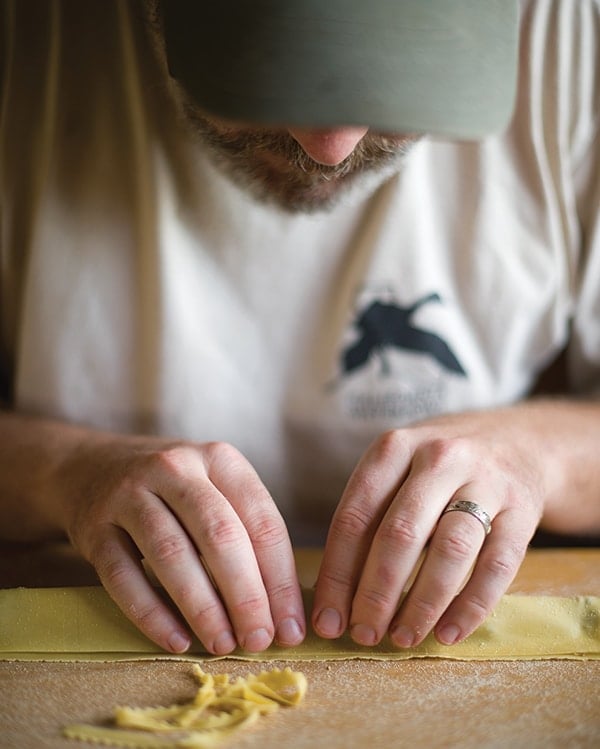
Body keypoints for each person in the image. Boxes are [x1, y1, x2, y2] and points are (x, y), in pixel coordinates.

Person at [1, 0, 599, 657]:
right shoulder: (28, 34)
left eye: (400, 80)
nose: (331, 145)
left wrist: (539, 457)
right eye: (264, 71)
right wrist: (61, 473)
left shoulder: (575, 34)